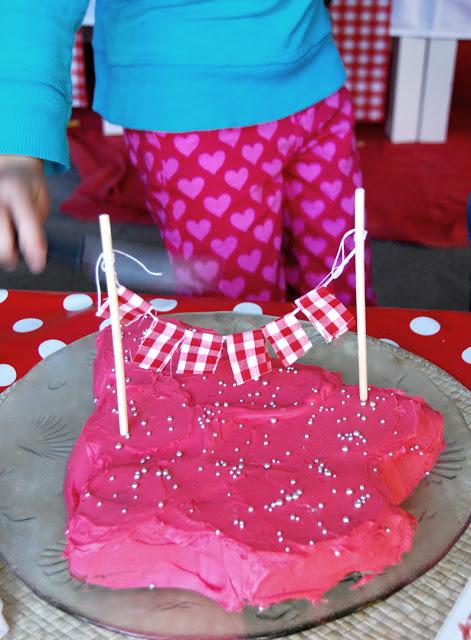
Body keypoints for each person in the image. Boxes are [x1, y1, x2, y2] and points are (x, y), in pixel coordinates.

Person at [0, 0, 374, 305]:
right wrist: (15, 136)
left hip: (316, 73)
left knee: (343, 285)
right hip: (190, 115)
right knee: (242, 313)